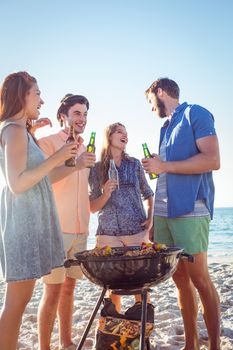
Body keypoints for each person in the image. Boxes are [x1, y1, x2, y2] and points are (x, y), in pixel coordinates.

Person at [0, 71, 79, 350]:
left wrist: (73, 164)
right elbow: (17, 183)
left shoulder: (23, 132)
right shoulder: (12, 130)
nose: (42, 100)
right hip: (22, 227)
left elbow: (40, 178)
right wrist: (56, 156)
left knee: (19, 303)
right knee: (14, 307)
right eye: (37, 93)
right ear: (21, 94)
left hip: (32, 224)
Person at [142, 77, 221, 350]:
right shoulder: (165, 128)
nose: (151, 108)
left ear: (160, 92)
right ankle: (191, 344)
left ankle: (214, 346)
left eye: (150, 101)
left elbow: (212, 160)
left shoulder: (195, 113)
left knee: (200, 279)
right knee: (179, 279)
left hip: (190, 209)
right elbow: (168, 168)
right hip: (164, 212)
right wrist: (156, 166)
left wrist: (165, 166)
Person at [37, 94, 96, 350]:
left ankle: (66, 342)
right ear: (63, 116)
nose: (81, 119)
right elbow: (41, 180)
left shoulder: (85, 148)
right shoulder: (47, 143)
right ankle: (44, 347)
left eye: (84, 113)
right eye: (77, 113)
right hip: (55, 228)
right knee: (51, 291)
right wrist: (75, 164)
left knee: (69, 289)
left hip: (80, 230)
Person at [89, 122, 154, 312]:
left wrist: (150, 219)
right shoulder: (96, 168)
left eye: (126, 133)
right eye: (120, 132)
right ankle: (115, 323)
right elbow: (93, 207)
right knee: (113, 285)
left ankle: (143, 326)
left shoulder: (134, 164)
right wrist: (106, 194)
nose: (125, 135)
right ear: (109, 137)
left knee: (140, 282)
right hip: (108, 232)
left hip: (136, 229)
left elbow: (148, 194)